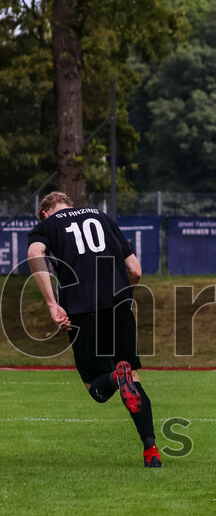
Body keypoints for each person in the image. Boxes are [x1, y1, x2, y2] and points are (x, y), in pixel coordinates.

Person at [26, 192, 161, 467]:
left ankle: (114, 378)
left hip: (82, 308)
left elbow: (34, 253)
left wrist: (52, 304)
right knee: (133, 376)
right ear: (69, 204)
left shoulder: (48, 225)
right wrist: (122, 299)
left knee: (96, 388)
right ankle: (151, 451)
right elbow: (135, 270)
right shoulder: (102, 217)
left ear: (45, 213)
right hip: (119, 303)